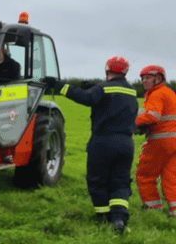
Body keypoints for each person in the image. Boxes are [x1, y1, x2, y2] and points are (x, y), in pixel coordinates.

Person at [47, 56, 138, 233]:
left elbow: (84, 98)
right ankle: (118, 218)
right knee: (120, 181)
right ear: (126, 71)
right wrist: (93, 89)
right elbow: (113, 101)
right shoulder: (132, 91)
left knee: (98, 180)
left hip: (103, 141)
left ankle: (104, 217)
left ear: (107, 70)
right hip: (126, 143)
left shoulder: (103, 88)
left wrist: (58, 85)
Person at [135, 64, 176, 217]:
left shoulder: (157, 94)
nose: (144, 81)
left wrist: (133, 123)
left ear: (158, 79)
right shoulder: (169, 92)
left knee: (145, 175)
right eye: (143, 78)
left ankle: (153, 209)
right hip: (174, 142)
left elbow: (152, 116)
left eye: (148, 78)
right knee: (171, 178)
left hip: (160, 141)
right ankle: (174, 211)